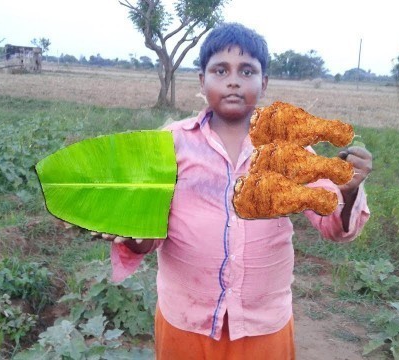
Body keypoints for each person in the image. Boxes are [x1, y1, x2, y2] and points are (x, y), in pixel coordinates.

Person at [100, 22, 372, 359]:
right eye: (220, 70)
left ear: (264, 82)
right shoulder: (170, 144)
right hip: (186, 320)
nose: (233, 80)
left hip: (262, 324)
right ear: (202, 80)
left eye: (246, 71)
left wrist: (346, 193)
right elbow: (148, 233)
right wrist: (130, 234)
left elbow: (334, 227)